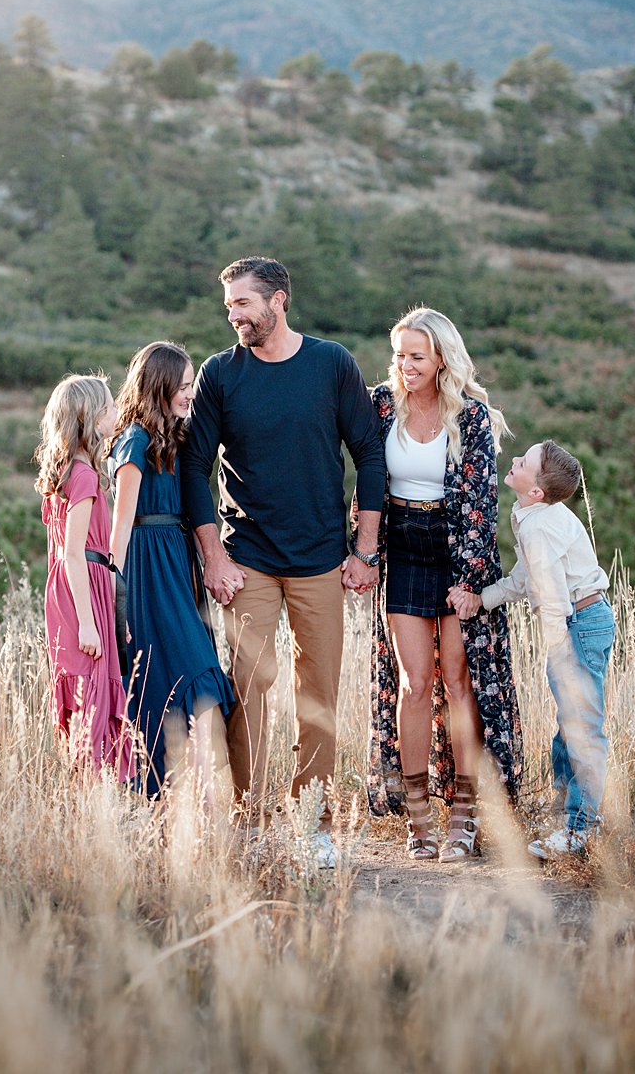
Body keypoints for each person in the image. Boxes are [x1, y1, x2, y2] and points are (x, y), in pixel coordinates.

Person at [181, 256, 385, 868]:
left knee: (318, 690)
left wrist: (365, 550)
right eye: (229, 308)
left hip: (322, 558)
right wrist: (212, 557)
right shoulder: (221, 374)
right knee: (249, 685)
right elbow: (195, 467)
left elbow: (369, 455)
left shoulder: (331, 365)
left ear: (279, 301)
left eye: (244, 304)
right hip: (248, 559)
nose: (234, 317)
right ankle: (246, 817)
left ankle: (312, 819)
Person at [367, 307, 524, 861]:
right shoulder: (381, 405)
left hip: (457, 550)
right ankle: (417, 820)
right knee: (415, 683)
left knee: (458, 683)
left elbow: (483, 501)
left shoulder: (474, 418)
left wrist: (468, 582)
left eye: (417, 356)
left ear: (441, 360)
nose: (405, 365)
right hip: (402, 551)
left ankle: (463, 814)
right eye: (400, 355)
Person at [450, 440, 612, 857]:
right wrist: (480, 599)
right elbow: (524, 579)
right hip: (578, 621)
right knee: (568, 728)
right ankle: (568, 818)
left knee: (582, 729)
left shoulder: (539, 525)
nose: (515, 460)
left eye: (524, 462)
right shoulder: (532, 515)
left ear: (536, 490)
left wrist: (558, 650)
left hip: (579, 622)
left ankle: (582, 830)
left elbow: (553, 597)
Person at [109, 342, 236, 799]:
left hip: (176, 563)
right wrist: (114, 595)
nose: (190, 394)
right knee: (177, 676)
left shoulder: (176, 436)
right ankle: (166, 799)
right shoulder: (136, 441)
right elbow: (121, 524)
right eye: (183, 387)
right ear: (159, 388)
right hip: (145, 569)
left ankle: (197, 806)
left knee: (199, 679)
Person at [36, 373, 133, 784]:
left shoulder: (63, 472)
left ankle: (86, 788)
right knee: (91, 688)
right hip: (82, 588)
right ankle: (92, 793)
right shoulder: (85, 476)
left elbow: (58, 554)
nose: (116, 413)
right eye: (110, 407)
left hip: (67, 586)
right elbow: (75, 552)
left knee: (82, 693)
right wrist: (91, 621)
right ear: (91, 418)